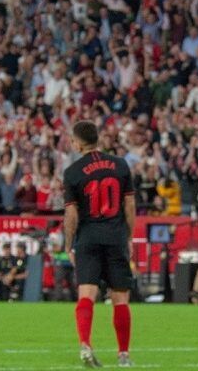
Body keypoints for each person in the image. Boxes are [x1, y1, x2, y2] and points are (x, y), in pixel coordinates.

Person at [63, 121, 136, 368]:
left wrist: (68, 244)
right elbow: (129, 206)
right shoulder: (120, 165)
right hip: (115, 237)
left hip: (88, 239)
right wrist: (129, 236)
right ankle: (123, 355)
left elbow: (71, 214)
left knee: (87, 295)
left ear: (77, 142)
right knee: (120, 298)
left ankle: (85, 345)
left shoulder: (73, 172)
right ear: (97, 139)